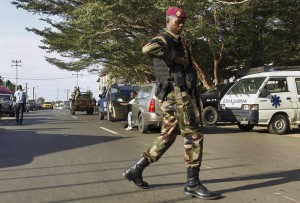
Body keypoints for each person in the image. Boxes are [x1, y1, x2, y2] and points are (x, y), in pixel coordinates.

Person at [122, 7, 219, 200]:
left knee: (168, 136)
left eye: (183, 22)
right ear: (168, 21)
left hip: (179, 95)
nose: (181, 25)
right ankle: (192, 184)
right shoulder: (163, 39)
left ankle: (136, 169)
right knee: (194, 136)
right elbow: (147, 48)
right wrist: (174, 58)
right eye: (177, 22)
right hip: (175, 96)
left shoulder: (178, 41)